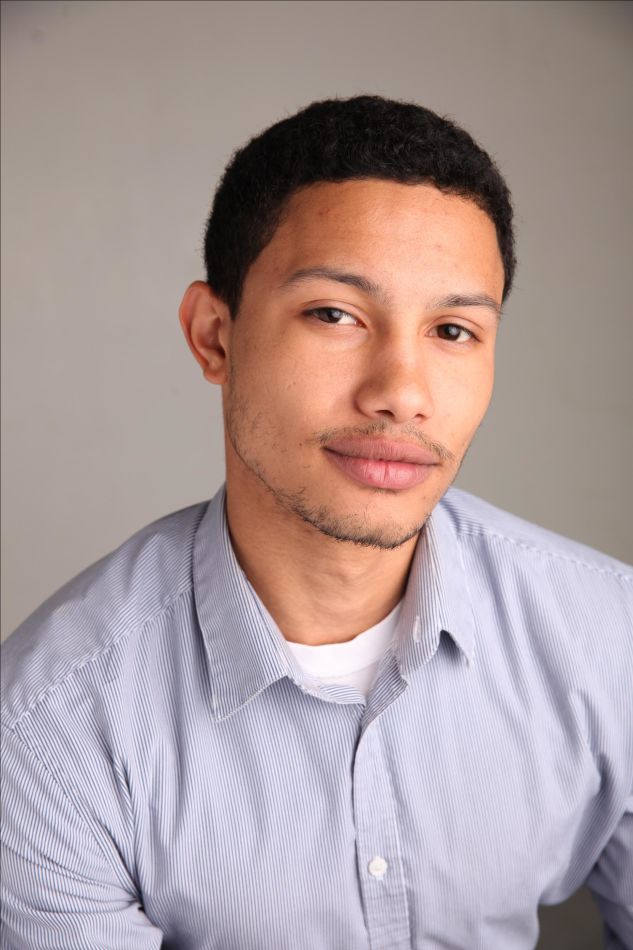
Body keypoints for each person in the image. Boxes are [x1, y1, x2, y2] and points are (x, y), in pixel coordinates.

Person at [1, 95, 631, 950]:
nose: (401, 392)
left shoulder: (609, 639)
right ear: (214, 336)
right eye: (335, 314)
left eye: (452, 330)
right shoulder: (46, 733)